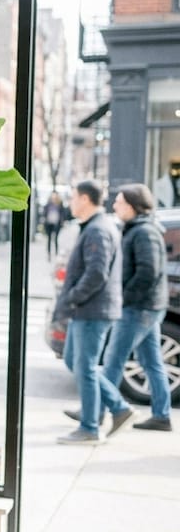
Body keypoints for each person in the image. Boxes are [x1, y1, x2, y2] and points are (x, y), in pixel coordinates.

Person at [75, 184, 170, 432]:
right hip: (147, 306)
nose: (115, 206)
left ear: (132, 205)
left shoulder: (143, 232)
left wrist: (123, 297)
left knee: (113, 360)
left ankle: (96, 412)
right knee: (152, 363)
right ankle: (162, 415)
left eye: (119, 201)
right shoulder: (139, 228)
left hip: (138, 308)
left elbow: (147, 272)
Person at [53, 180, 129, 445]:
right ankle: (111, 409)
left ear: (84, 199)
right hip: (87, 309)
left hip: (93, 310)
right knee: (75, 361)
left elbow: (96, 273)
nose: (71, 202)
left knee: (84, 365)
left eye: (73, 197)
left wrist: (73, 297)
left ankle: (91, 426)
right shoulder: (94, 227)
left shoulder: (98, 229)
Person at [41, 191, 67, 260]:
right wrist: (44, 220)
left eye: (55, 195)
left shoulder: (60, 204)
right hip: (48, 223)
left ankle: (56, 253)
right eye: (53, 195)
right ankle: (49, 254)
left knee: (55, 239)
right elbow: (44, 212)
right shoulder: (48, 204)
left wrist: (62, 221)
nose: (54, 196)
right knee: (49, 239)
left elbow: (63, 213)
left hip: (57, 223)